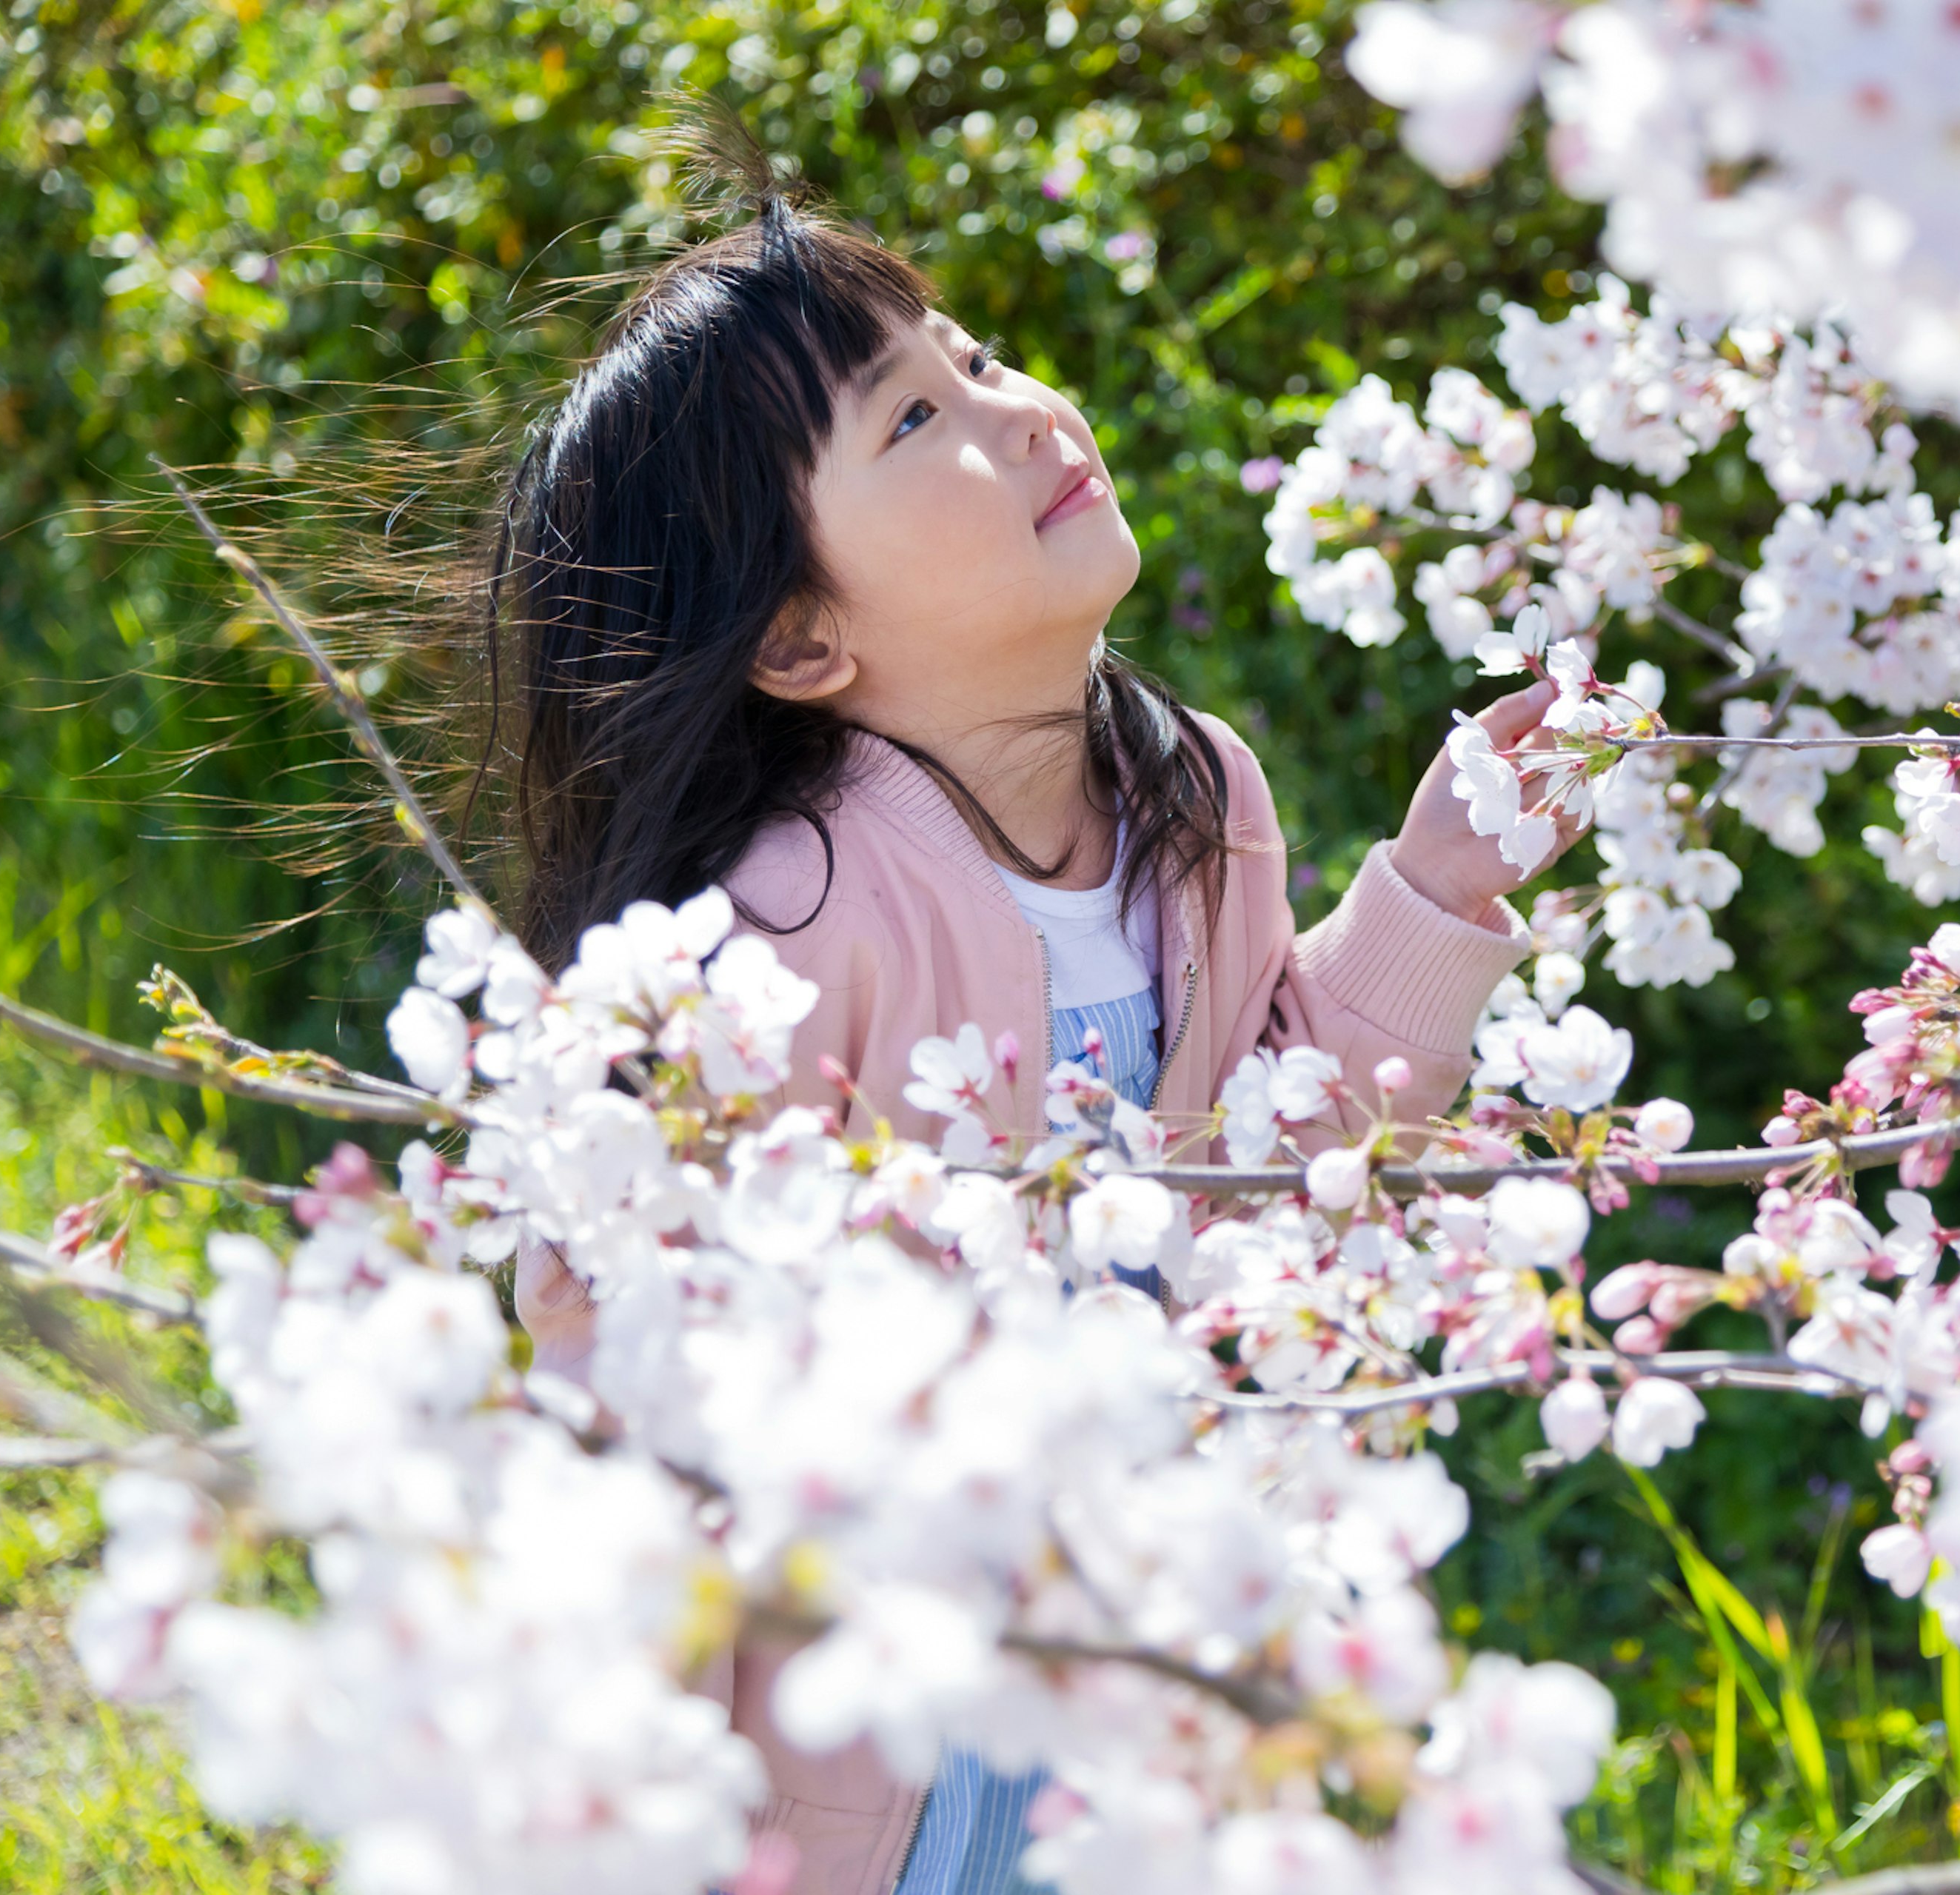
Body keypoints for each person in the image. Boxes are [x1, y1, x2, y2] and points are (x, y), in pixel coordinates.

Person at [492, 123, 1579, 1895]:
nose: (1012, 409)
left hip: (1138, 1684)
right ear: (797, 641)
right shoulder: (783, 922)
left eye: (974, 357)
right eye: (912, 420)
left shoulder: (1193, 796)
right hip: (873, 1764)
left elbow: (1278, 1150)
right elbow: (640, 1363)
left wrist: (1439, 889)